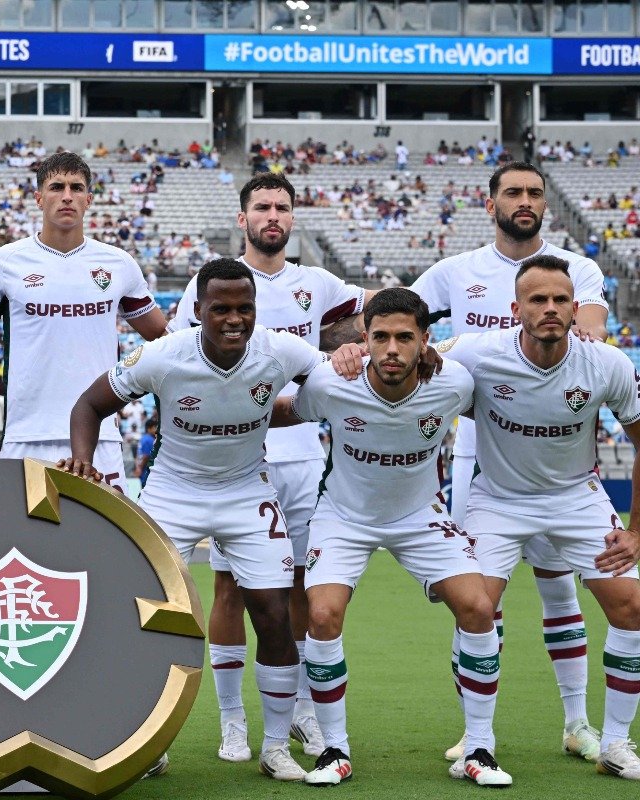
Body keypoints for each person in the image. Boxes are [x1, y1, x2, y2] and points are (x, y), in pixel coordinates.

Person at [61, 258, 362, 782]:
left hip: (247, 490)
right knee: (142, 614)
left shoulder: (280, 350)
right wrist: (83, 460)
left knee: (273, 613)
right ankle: (145, 741)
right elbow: (89, 404)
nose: (234, 319)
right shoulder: (163, 355)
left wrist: (352, 355)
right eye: (221, 309)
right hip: (172, 493)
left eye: (245, 308)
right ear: (197, 310)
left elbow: (336, 375)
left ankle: (275, 747)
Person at [169, 173, 372, 763]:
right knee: (229, 587)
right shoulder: (215, 282)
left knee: (303, 587)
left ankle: (304, 711)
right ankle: (232, 720)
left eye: (282, 207)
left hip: (303, 454)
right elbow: (184, 361)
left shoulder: (319, 284)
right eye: (262, 207)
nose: (273, 216)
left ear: (293, 218)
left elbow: (373, 319)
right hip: (237, 457)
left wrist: (353, 347)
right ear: (243, 218)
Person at [411, 162, 609, 761]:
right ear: (490, 202)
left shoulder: (577, 269)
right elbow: (403, 323)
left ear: (546, 204)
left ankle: (577, 723)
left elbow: (592, 335)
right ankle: (473, 730)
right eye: (513, 192)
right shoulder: (456, 271)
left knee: (559, 589)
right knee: (478, 601)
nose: (525, 201)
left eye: (535, 193)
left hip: (555, 452)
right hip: (480, 453)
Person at [272, 288, 507, 787]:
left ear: (426, 339)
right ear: (365, 337)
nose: (392, 349)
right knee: (321, 615)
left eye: (405, 337)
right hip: (344, 516)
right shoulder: (332, 382)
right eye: (380, 337)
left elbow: (502, 410)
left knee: (479, 607)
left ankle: (480, 747)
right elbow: (287, 411)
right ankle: (334, 749)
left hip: (420, 515)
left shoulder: (454, 382)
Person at [439, 255, 640, 783]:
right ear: (515, 309)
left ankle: (615, 744)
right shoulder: (478, 352)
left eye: (560, 300)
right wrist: (349, 352)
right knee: (476, 608)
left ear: (575, 308)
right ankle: (478, 744)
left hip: (577, 499)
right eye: (538, 299)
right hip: (498, 500)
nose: (550, 308)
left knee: (632, 606)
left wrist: (637, 530)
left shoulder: (607, 363)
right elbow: (411, 361)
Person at [0, 152, 166, 496]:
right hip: (26, 437)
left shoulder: (118, 263)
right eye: (56, 187)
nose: (67, 196)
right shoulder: (3, 263)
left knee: (103, 533)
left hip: (100, 437)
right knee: (20, 533)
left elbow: (163, 337)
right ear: (38, 198)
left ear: (89, 199)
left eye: (76, 188)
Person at [134, 417, 157, 486]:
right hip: (145, 469)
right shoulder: (150, 439)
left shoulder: (143, 438)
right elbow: (146, 456)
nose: (156, 429)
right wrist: (140, 468)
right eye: (154, 427)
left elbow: (137, 455)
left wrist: (137, 467)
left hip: (140, 466)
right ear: (149, 428)